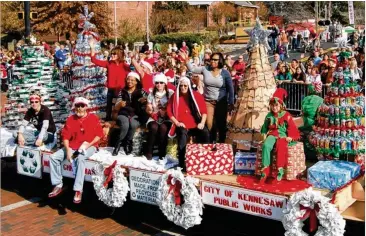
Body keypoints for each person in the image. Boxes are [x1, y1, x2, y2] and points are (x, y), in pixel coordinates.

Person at [48, 97, 103, 203]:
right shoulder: (71, 119)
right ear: (74, 107)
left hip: (88, 146)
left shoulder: (93, 118)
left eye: (82, 106)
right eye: (77, 106)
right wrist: (68, 150)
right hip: (73, 146)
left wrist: (88, 145)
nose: (80, 108)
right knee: (53, 157)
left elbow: (99, 135)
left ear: (86, 107)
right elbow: (65, 137)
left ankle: (78, 189)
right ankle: (58, 184)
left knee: (80, 158)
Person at [184, 52, 234, 143]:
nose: (213, 61)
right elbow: (192, 69)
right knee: (209, 123)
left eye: (215, 59)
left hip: (221, 101)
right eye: (211, 59)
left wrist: (231, 102)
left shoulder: (225, 73)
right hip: (208, 101)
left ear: (220, 61)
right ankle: (212, 142)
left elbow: (231, 88)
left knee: (221, 124)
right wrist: (186, 60)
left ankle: (221, 143)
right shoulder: (205, 69)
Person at [167, 77, 210, 169]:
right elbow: (169, 112)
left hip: (195, 124)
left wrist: (202, 123)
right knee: (182, 134)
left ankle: (205, 158)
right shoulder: (175, 96)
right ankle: (182, 162)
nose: (183, 88)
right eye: (181, 86)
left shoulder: (196, 96)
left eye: (185, 86)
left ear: (189, 86)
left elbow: (204, 112)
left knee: (205, 132)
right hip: (182, 125)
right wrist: (177, 123)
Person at [259, 89, 300, 183]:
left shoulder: (286, 115)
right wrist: (263, 137)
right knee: (266, 146)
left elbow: (292, 127)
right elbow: (265, 128)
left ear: (281, 105)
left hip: (282, 135)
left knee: (281, 147)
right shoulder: (269, 115)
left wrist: (291, 136)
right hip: (272, 134)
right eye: (272, 105)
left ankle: (280, 169)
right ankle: (265, 170)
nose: (274, 107)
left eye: (276, 105)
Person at [89, 39, 130, 121]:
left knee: (120, 108)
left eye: (114, 54)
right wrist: (92, 47)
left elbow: (129, 78)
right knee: (108, 108)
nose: (112, 55)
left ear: (119, 55)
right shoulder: (109, 63)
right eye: (112, 54)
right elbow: (94, 60)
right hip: (111, 89)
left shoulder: (125, 66)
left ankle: (120, 121)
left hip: (121, 91)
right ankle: (108, 121)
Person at [112, 72, 147, 156]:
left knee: (133, 124)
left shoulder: (141, 91)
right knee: (125, 125)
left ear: (136, 82)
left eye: (132, 80)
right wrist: (119, 104)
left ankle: (128, 143)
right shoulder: (122, 91)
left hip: (136, 114)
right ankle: (118, 144)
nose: (129, 81)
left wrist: (145, 100)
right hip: (123, 113)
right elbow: (116, 106)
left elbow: (148, 99)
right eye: (128, 79)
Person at [144, 73, 174, 160]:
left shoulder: (170, 93)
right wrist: (149, 109)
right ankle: (149, 151)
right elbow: (148, 106)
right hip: (154, 116)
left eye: (161, 82)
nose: (159, 84)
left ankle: (162, 152)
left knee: (163, 128)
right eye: (157, 82)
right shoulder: (151, 94)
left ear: (165, 83)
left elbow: (173, 106)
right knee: (153, 127)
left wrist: (165, 110)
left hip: (167, 117)